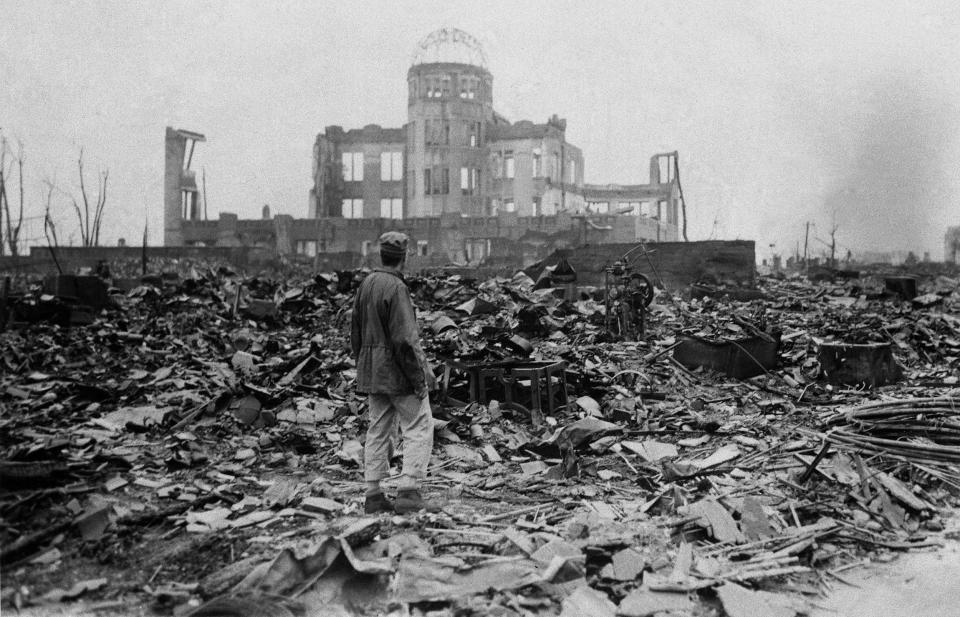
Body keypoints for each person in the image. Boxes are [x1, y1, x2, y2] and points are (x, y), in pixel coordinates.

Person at [351, 231, 434, 514]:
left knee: (378, 428)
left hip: (373, 372)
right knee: (419, 424)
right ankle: (409, 490)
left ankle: (373, 494)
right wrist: (419, 378)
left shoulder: (366, 284)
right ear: (405, 257)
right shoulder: (397, 288)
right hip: (397, 373)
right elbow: (405, 340)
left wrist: (364, 365)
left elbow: (355, 334)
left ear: (382, 254)